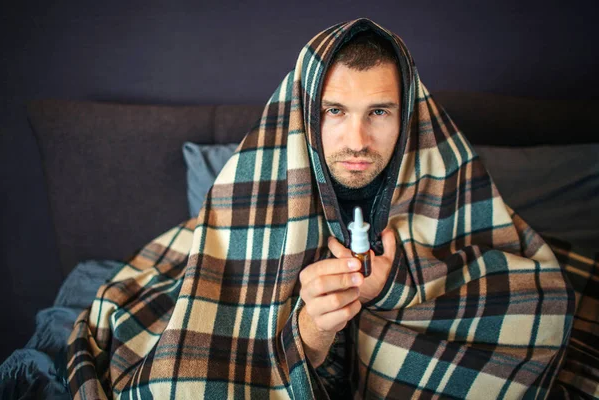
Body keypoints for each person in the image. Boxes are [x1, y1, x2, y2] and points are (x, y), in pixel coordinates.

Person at [67, 18, 575, 399]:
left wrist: (399, 285)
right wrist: (311, 330)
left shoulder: (440, 171)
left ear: (408, 115)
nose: (357, 140)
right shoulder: (260, 180)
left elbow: (538, 301)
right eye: (334, 111)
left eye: (378, 112)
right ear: (307, 112)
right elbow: (217, 322)